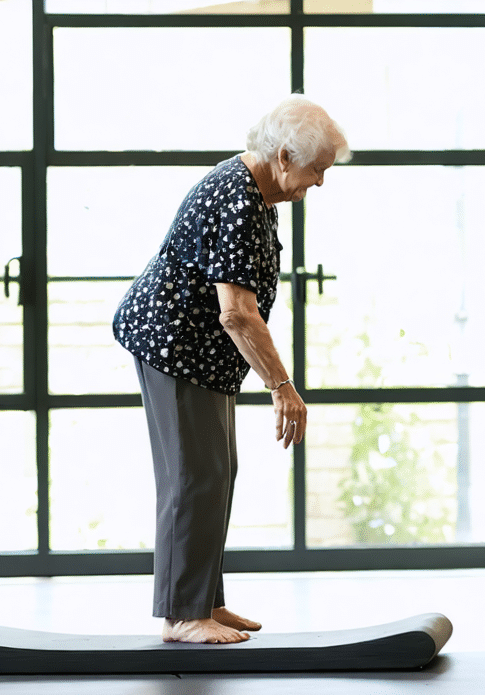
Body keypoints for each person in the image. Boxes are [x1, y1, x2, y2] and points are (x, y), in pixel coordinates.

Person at [113, 95, 349, 644]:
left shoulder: (259, 191)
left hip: (204, 354)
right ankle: (180, 615)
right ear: (285, 155)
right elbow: (237, 312)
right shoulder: (238, 196)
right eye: (317, 170)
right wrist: (282, 388)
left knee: (216, 474)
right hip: (174, 346)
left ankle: (205, 603)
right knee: (193, 478)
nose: (319, 183)